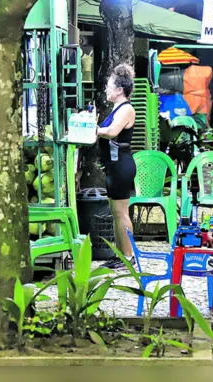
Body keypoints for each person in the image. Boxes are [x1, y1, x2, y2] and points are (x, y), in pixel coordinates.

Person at [96, 64, 138, 270]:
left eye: (109, 86)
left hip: (122, 165)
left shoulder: (127, 109)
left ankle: (129, 256)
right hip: (114, 166)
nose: (106, 89)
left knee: (122, 213)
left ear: (120, 90)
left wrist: (94, 129)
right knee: (115, 212)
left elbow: (112, 131)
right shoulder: (117, 108)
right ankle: (119, 254)